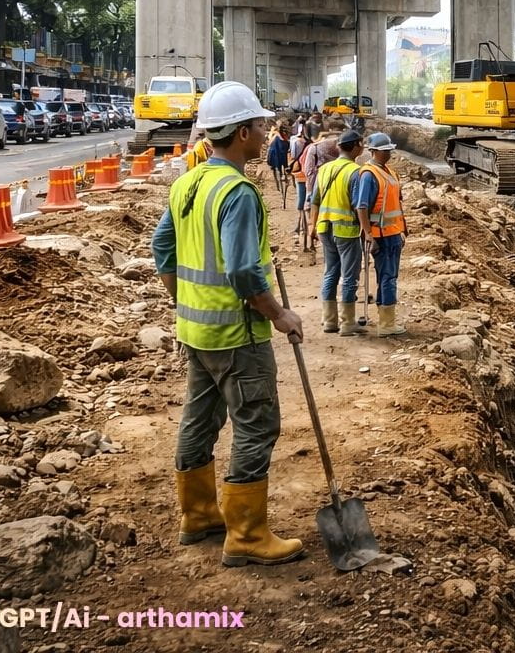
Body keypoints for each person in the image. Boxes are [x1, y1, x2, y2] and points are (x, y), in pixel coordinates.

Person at [151, 80, 304, 569]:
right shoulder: (237, 191)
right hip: (238, 336)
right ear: (241, 133)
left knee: (199, 421)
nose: (266, 130)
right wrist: (278, 314)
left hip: (196, 332)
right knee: (257, 425)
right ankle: (247, 535)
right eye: (260, 124)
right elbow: (242, 271)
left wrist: (186, 302)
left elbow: (163, 250)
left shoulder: (188, 182)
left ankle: (198, 517)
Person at [312, 130, 367, 336]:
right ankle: (347, 323)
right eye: (361, 145)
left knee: (330, 273)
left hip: (324, 227)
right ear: (355, 146)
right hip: (346, 230)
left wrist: (312, 225)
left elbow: (314, 200)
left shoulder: (325, 169)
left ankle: (329, 321)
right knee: (349, 276)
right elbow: (357, 205)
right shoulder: (355, 171)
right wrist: (365, 230)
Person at [354, 132, 407, 337]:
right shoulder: (369, 175)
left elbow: (396, 203)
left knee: (389, 276)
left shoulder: (390, 172)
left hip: (393, 233)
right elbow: (362, 207)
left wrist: (403, 228)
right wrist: (368, 234)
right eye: (385, 151)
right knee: (388, 277)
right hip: (381, 235)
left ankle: (386, 319)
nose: (389, 154)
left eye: (389, 150)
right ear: (373, 151)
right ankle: (386, 324)